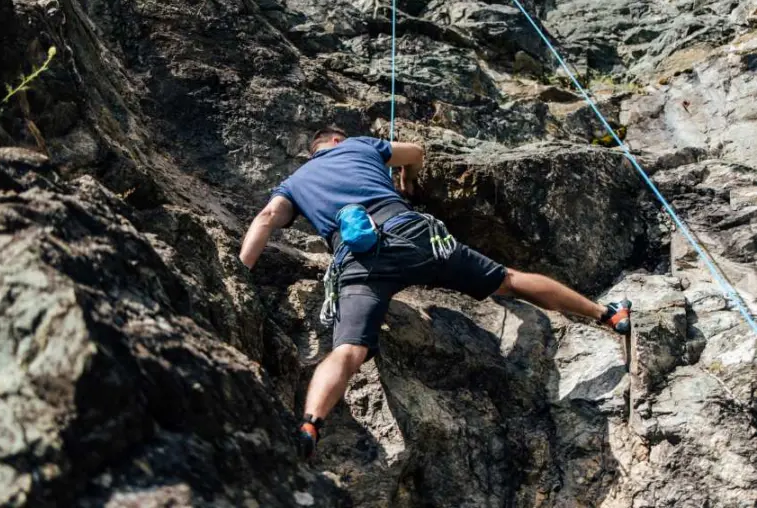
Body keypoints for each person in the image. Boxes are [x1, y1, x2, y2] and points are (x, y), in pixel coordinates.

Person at [239, 126, 632, 459]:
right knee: (509, 281)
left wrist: (241, 273)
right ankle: (608, 314)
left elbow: (267, 217)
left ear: (313, 153)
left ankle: (310, 425)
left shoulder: (295, 182)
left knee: (348, 350)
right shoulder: (360, 146)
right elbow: (415, 152)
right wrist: (407, 185)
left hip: (358, 260)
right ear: (339, 142)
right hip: (411, 234)